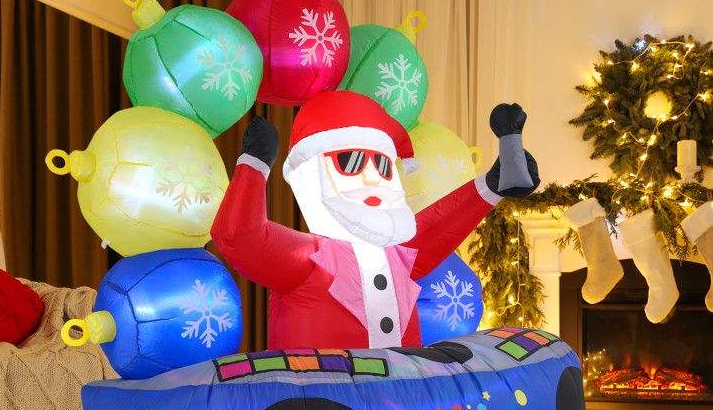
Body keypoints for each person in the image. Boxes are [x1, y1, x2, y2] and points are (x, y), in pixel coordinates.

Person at [212, 90, 538, 349]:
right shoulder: (309, 258)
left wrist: (492, 186)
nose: (371, 177)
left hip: (401, 399)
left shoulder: (399, 255)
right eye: (349, 161)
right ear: (310, 173)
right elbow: (240, 238)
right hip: (323, 399)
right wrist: (254, 166)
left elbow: (439, 225)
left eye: (382, 166)